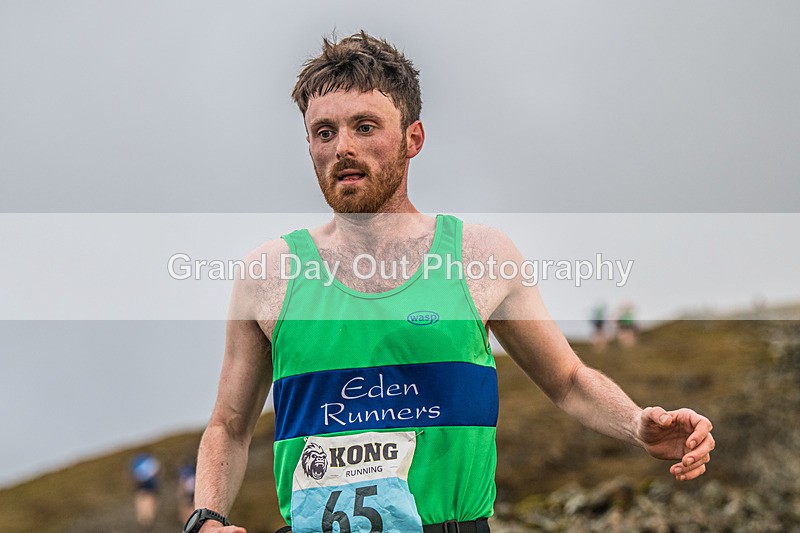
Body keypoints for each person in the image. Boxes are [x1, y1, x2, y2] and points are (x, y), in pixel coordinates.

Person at [189, 31, 715, 533]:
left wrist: (636, 424)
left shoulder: (480, 258)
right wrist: (207, 517)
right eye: (324, 132)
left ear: (412, 139)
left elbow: (569, 381)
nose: (343, 147)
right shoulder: (269, 275)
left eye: (365, 126)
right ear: (309, 145)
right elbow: (229, 426)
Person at [130, 452, 161, 531]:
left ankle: (147, 526)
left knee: (148, 512)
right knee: (144, 512)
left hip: (148, 489)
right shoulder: (144, 462)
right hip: (143, 490)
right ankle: (145, 526)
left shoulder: (142, 462)